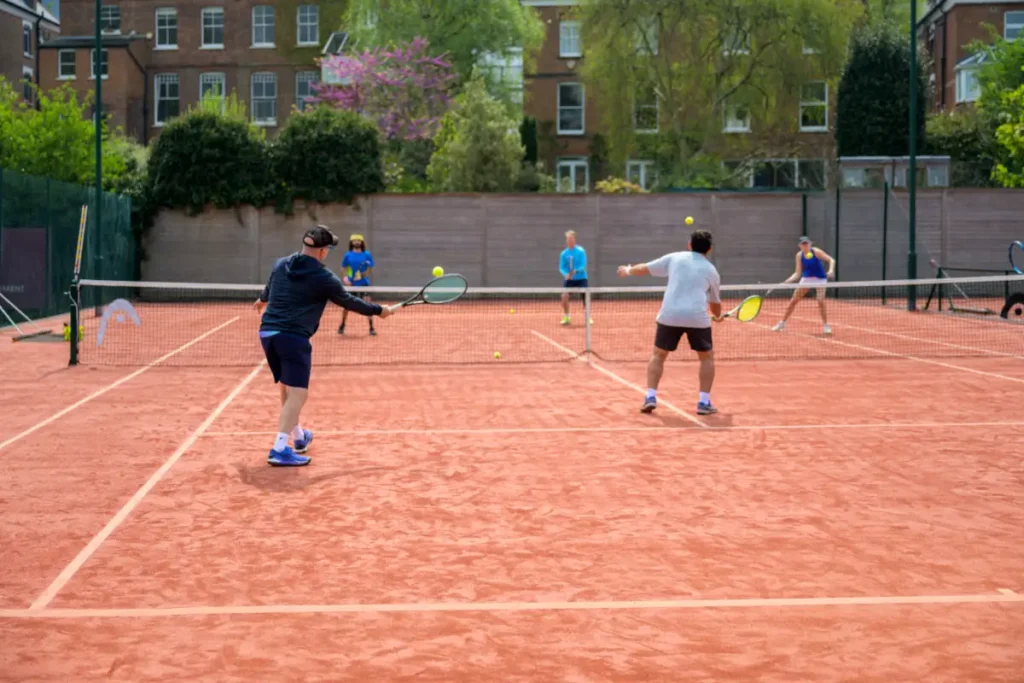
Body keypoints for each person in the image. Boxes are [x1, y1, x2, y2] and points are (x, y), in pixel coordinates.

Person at [254, 225, 394, 467]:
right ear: (322, 251)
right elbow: (348, 301)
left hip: (268, 332)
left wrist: (262, 300)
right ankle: (279, 449)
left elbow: (269, 287)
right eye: (328, 248)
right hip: (293, 336)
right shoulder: (323, 277)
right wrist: (379, 310)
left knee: (287, 386)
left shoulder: (280, 263)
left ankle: (298, 437)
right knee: (299, 392)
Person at [617, 229, 722, 416]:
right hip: (697, 318)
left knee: (658, 355)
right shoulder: (711, 271)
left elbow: (645, 268)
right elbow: (714, 304)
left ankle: (650, 396)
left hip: (670, 314)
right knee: (706, 358)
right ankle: (703, 402)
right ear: (710, 249)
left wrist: (627, 270)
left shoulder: (675, 258)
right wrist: (718, 315)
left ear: (689, 245)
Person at [771, 236, 836, 335]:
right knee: (793, 301)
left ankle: (826, 326)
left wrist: (831, 270)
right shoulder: (799, 255)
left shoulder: (816, 252)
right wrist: (787, 281)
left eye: (807, 244)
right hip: (807, 279)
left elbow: (831, 260)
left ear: (810, 244)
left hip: (820, 278)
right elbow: (797, 273)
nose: (805, 246)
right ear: (800, 246)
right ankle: (782, 323)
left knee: (820, 301)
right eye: (803, 244)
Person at [338, 233, 376, 336]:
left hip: (364, 284)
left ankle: (371, 327)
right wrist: (346, 279)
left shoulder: (367, 254)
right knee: (347, 306)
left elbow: (370, 268)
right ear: (351, 242)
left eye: (358, 240)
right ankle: (342, 324)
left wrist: (364, 275)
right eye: (355, 240)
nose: (357, 242)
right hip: (351, 285)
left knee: (368, 305)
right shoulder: (348, 255)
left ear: (362, 242)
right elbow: (343, 268)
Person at [559, 230, 592, 326]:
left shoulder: (581, 251)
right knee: (564, 296)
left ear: (575, 239)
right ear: (566, 240)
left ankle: (588, 317)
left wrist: (576, 271)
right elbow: (562, 267)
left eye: (572, 239)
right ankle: (566, 317)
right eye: (568, 239)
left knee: (586, 296)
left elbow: (583, 265)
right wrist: (566, 274)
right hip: (570, 280)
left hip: (581, 278)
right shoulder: (564, 254)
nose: (570, 240)